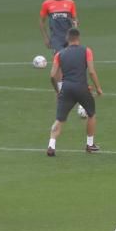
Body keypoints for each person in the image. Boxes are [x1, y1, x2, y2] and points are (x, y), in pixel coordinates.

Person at [46, 27, 103, 156]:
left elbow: (52, 75)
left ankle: (51, 145)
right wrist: (98, 88)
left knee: (59, 119)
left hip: (66, 89)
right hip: (82, 88)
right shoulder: (86, 51)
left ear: (67, 38)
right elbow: (92, 72)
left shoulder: (59, 54)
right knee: (91, 114)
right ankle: (89, 144)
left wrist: (57, 90)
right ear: (78, 38)